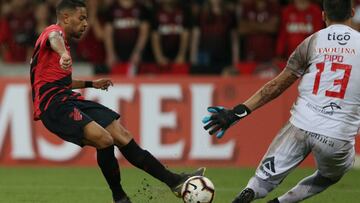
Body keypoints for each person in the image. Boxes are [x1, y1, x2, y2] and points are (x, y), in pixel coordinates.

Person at [29, 1, 205, 203]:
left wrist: (91, 84)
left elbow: (61, 81)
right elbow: (54, 38)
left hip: (67, 98)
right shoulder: (53, 32)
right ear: (66, 17)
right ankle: (119, 197)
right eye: (82, 18)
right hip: (53, 106)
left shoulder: (60, 46)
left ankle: (175, 181)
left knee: (121, 134)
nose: (86, 23)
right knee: (104, 139)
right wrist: (63, 53)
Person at [203, 0, 356, 202]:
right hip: (336, 136)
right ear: (352, 12)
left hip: (301, 125)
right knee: (329, 176)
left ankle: (249, 192)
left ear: (322, 15)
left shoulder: (312, 42)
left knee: (262, 180)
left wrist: (236, 113)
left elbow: (274, 87)